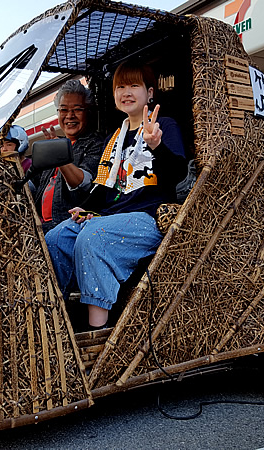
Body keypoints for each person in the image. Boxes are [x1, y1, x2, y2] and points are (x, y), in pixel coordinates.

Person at [45, 61, 188, 330]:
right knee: (56, 238)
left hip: (147, 218)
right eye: (120, 86)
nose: (126, 92)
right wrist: (85, 208)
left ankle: (96, 329)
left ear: (150, 93)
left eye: (135, 85)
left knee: (93, 236)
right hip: (111, 217)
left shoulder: (164, 125)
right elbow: (105, 186)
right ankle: (55, 318)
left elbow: (177, 174)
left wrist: (155, 145)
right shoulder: (116, 137)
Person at [30, 80, 104, 233]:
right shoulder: (53, 144)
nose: (69, 116)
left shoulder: (96, 144)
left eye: (77, 110)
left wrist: (60, 156)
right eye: (63, 110)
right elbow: (32, 184)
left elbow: (83, 182)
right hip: (39, 227)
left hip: (70, 227)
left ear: (88, 112)